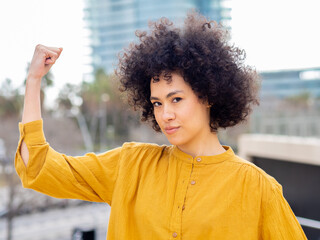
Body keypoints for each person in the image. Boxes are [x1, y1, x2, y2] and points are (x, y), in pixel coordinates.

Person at [15, 12, 306, 240]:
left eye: (176, 99)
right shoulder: (131, 165)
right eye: (156, 103)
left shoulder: (258, 189)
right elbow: (40, 168)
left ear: (208, 95)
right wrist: (33, 82)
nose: (165, 114)